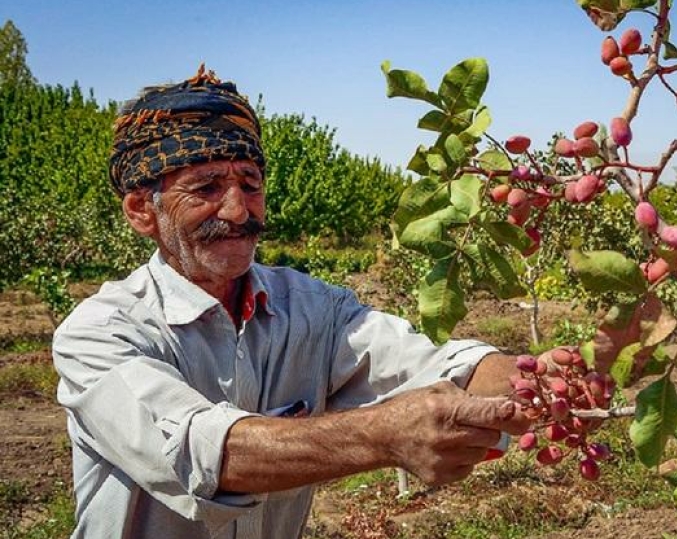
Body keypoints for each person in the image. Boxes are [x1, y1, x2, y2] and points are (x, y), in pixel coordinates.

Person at [51, 65, 533, 539]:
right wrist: (382, 435)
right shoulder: (99, 332)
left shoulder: (312, 307)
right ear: (141, 210)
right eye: (206, 187)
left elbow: (430, 364)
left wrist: (535, 380)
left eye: (251, 184)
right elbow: (204, 453)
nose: (239, 210)